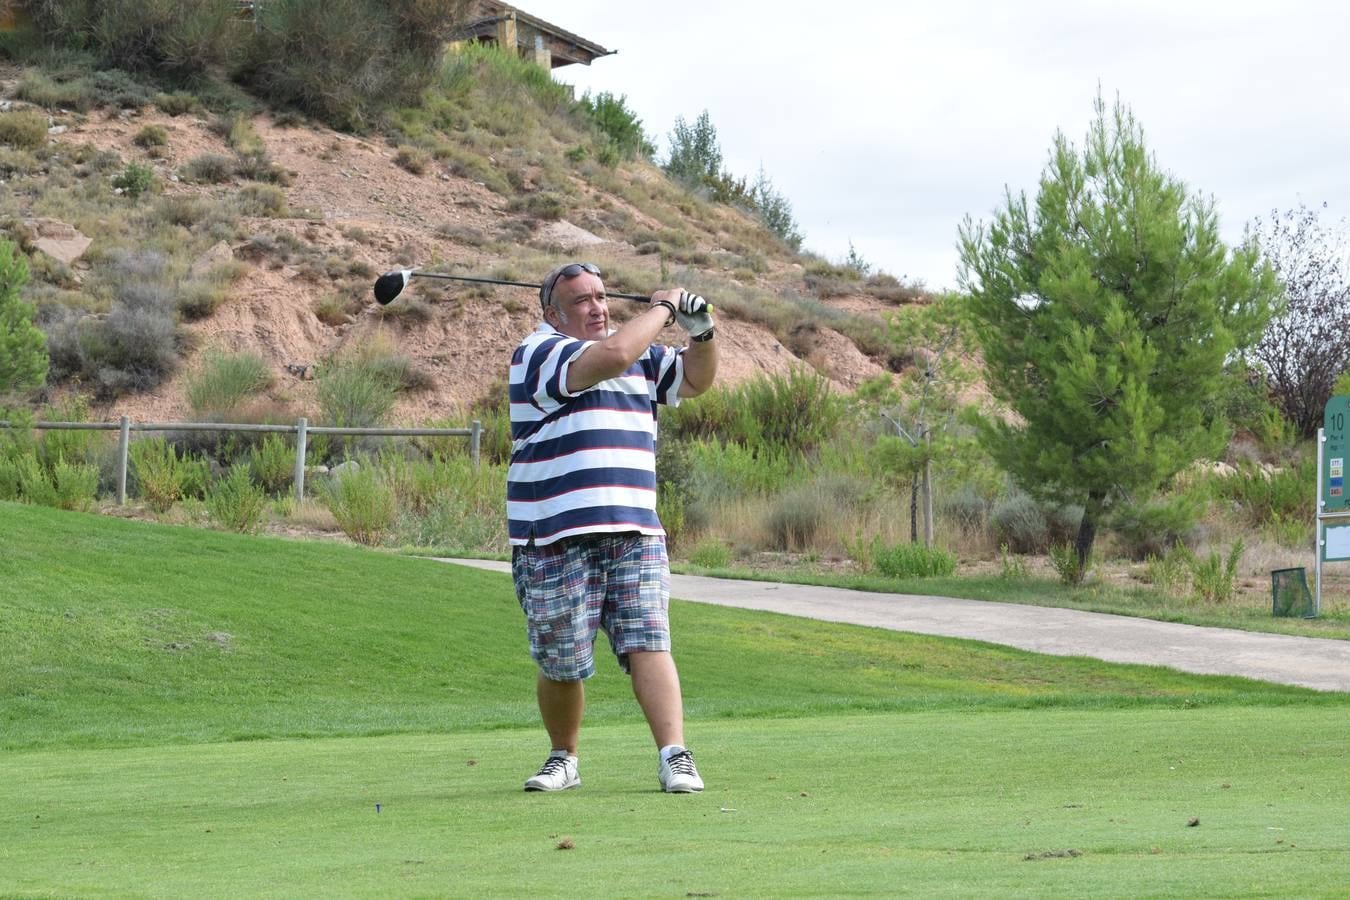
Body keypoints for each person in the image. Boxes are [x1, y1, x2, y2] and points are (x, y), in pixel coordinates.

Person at [507, 261, 718, 793]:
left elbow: (697, 378)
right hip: (554, 534)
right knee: (562, 661)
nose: (597, 306)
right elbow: (614, 355)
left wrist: (701, 331)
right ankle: (564, 757)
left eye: (601, 296)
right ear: (552, 313)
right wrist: (666, 308)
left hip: (634, 528)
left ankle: (676, 755)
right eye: (581, 300)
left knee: (650, 640)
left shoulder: (641, 353)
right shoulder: (540, 353)